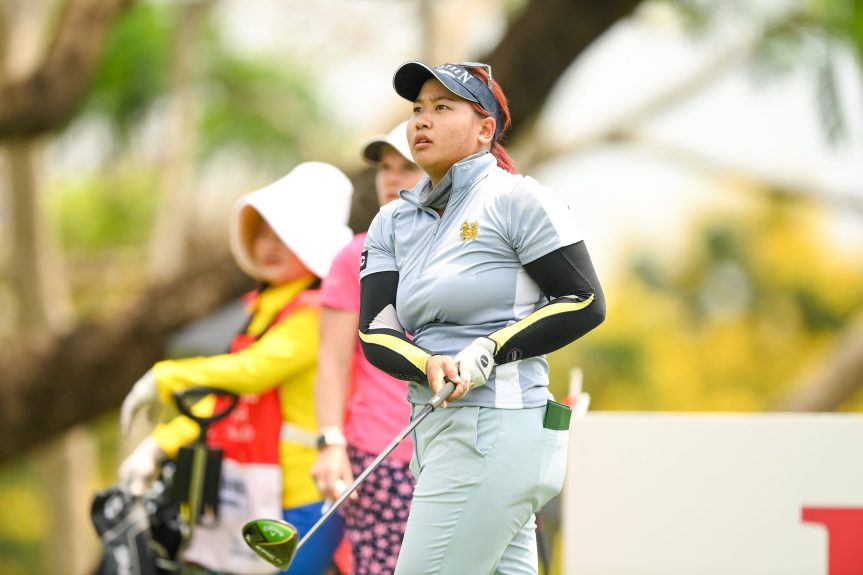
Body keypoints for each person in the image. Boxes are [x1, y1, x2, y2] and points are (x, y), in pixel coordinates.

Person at [357, 62, 606, 575]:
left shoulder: (517, 199)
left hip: (499, 431)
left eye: (442, 107)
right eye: (417, 109)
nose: (422, 120)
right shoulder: (391, 221)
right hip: (437, 433)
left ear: (484, 129)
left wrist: (490, 350)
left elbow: (583, 299)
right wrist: (427, 363)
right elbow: (374, 329)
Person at [119, 162, 354, 575]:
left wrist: (166, 376)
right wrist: (159, 445)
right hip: (250, 493)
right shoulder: (263, 307)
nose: (269, 246)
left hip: (306, 495)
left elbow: (253, 371)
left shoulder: (317, 312)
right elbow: (228, 402)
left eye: (284, 234)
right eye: (262, 232)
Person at [311, 121, 424, 575]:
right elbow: (332, 362)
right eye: (385, 167)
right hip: (380, 455)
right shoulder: (354, 256)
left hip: (457, 451)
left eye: (407, 166)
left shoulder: (469, 251)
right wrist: (329, 443)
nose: (392, 178)